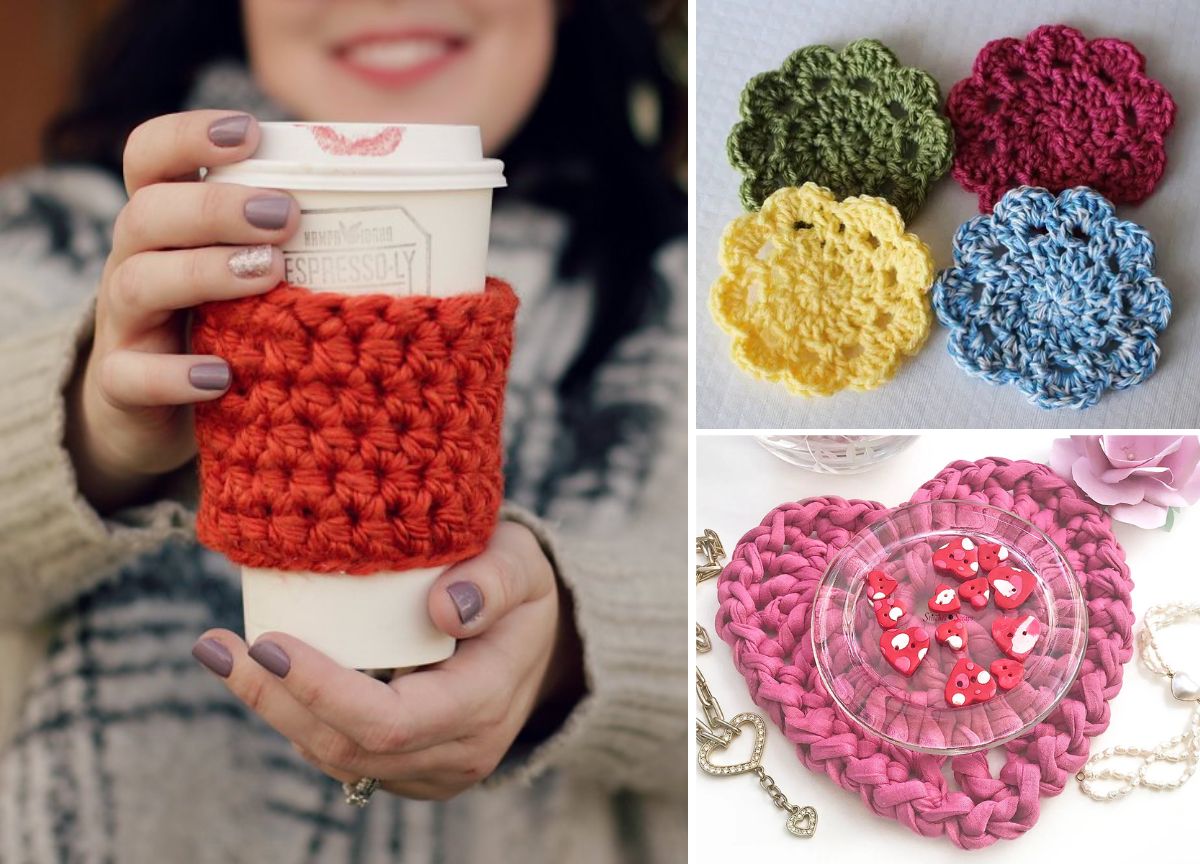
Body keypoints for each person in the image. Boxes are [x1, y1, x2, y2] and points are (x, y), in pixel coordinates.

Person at [0, 1, 686, 861]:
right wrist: (89, 430)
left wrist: (577, 649)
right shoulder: (49, 238)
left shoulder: (707, 300)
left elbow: (828, 638)